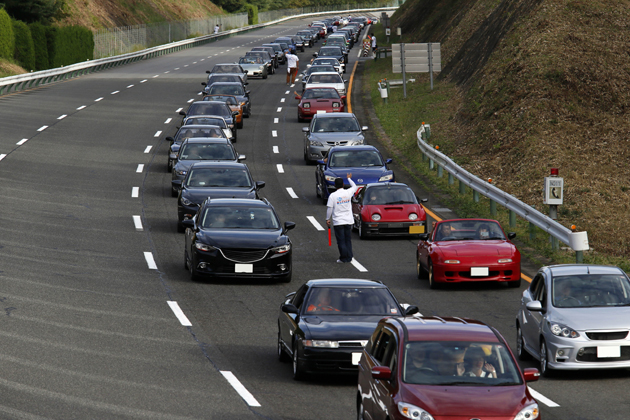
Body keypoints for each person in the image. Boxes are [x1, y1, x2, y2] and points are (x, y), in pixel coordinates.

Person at [326, 173, 359, 263]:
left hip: (338, 221)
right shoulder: (348, 192)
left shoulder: (333, 196)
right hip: (348, 221)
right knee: (348, 239)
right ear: (343, 185)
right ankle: (349, 256)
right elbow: (355, 186)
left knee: (341, 240)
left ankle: (343, 258)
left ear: (335, 185)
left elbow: (330, 208)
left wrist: (327, 219)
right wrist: (349, 179)